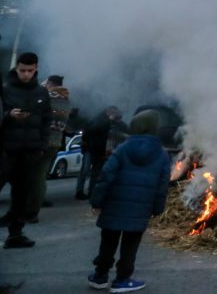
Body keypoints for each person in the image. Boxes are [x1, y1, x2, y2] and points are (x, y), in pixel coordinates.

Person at [88, 109, 170, 292]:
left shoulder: (122, 149)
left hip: (113, 205)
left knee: (108, 242)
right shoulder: (162, 154)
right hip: (140, 209)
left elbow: (106, 176)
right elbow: (162, 186)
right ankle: (122, 279)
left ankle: (100, 276)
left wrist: (97, 201)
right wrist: (158, 208)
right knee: (130, 246)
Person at [2, 52, 52, 248]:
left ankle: (15, 234)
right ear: (16, 68)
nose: (25, 74)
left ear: (36, 69)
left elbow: (47, 121)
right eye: (22, 70)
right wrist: (8, 115)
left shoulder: (41, 93)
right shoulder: (5, 89)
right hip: (6, 150)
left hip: (30, 151)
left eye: (29, 71)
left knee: (22, 194)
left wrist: (42, 145)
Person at [35, 75, 72, 212]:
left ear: (50, 83)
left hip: (42, 140)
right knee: (42, 173)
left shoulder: (48, 96)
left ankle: (32, 206)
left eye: (45, 82)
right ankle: (38, 200)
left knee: (35, 174)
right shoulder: (66, 100)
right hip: (55, 142)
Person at [82, 107, 124, 199]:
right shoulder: (101, 121)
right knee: (92, 172)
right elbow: (90, 132)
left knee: (95, 172)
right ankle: (89, 191)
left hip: (99, 150)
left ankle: (91, 191)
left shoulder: (108, 122)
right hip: (95, 150)